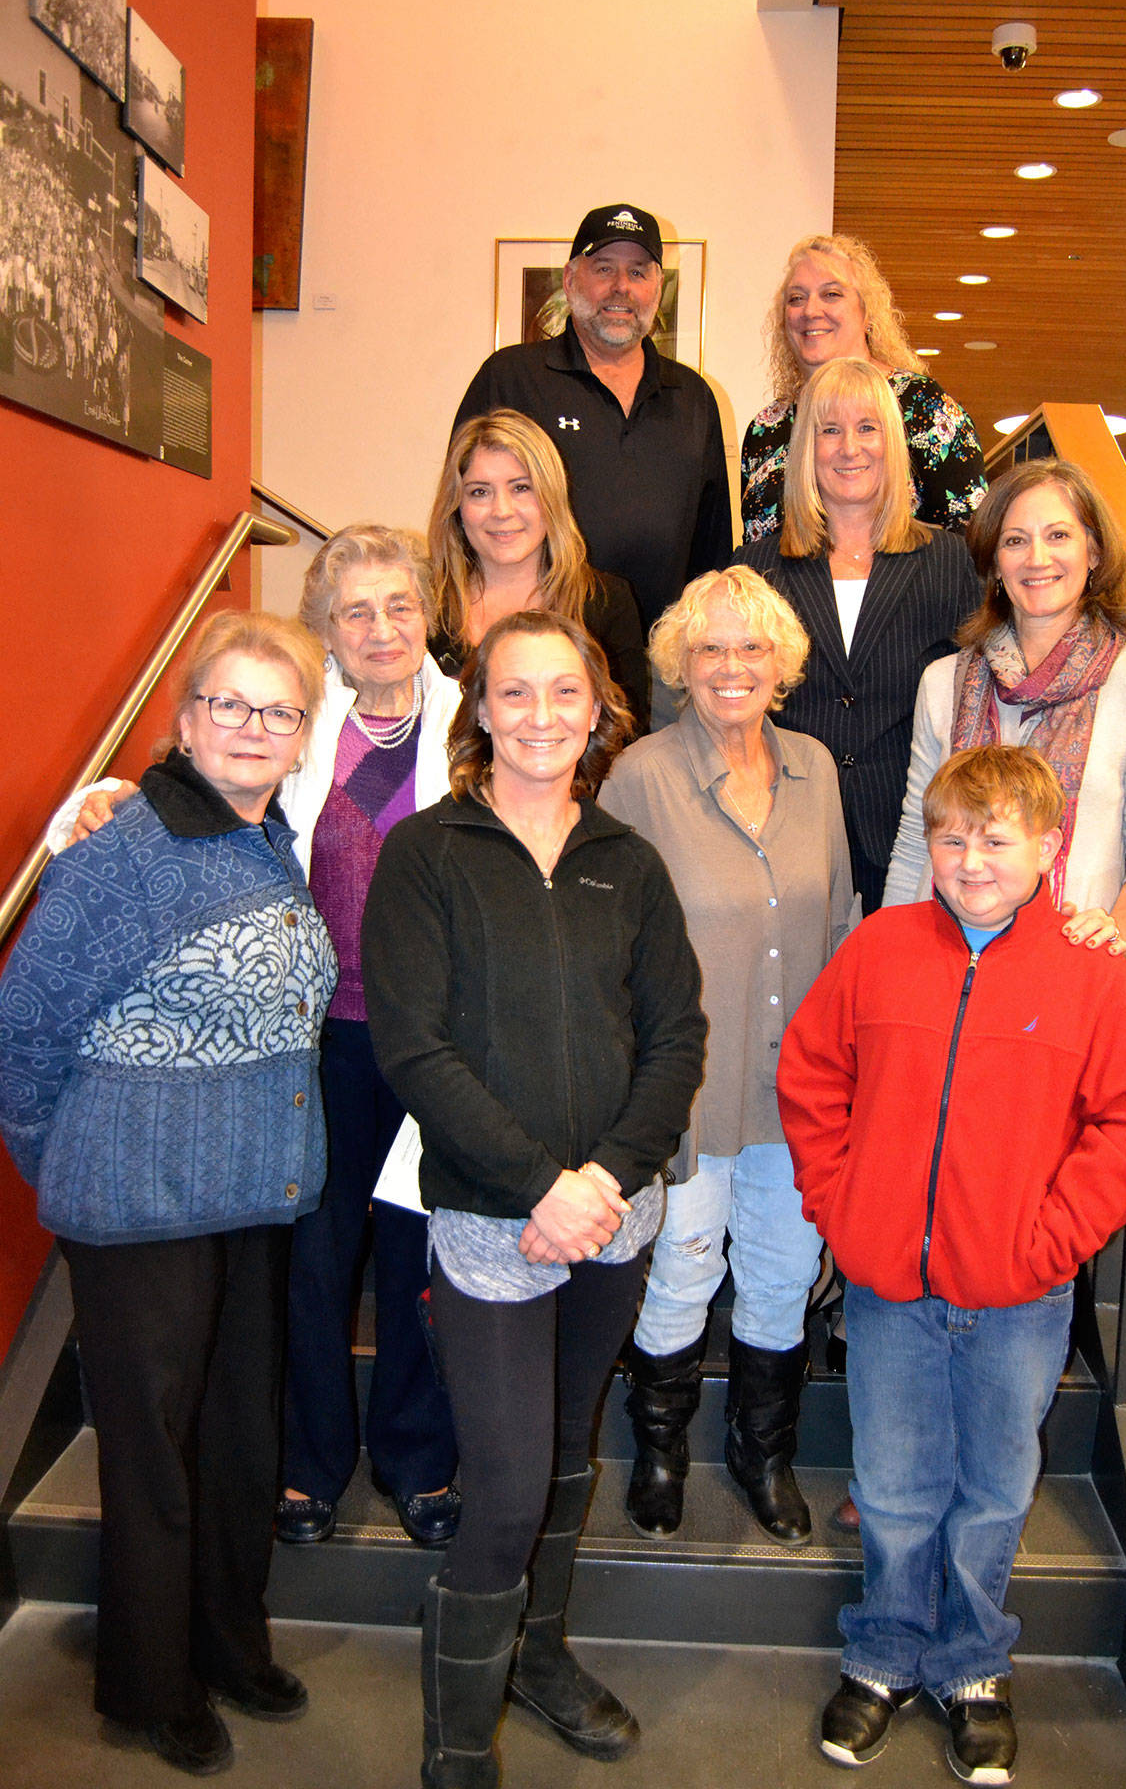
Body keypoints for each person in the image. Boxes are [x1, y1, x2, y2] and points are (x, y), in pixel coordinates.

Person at [49, 527, 465, 1553]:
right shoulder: (289, 719)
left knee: (422, 1254)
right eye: (354, 610)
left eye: (398, 606)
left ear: (428, 616)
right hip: (307, 1043)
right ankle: (310, 1463)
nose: (379, 628)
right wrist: (92, 805)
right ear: (326, 628)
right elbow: (176, 784)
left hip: (433, 1041)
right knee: (315, 1262)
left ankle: (417, 1459)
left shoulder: (471, 727)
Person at [778, 746, 1126, 1783]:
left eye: (993, 838)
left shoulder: (1090, 975)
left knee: (994, 1490)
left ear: (1043, 848)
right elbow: (812, 1075)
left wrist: (1047, 1240)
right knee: (895, 1481)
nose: (967, 858)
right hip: (886, 1286)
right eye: (950, 836)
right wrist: (841, 1204)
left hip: (1017, 1294)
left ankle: (972, 1669)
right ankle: (882, 1655)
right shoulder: (878, 949)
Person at [361, 609, 706, 1789]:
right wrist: (539, 1185)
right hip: (488, 1218)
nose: (542, 716)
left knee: (567, 1450)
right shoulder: (428, 853)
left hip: (614, 1214)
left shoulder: (627, 861)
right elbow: (412, 1048)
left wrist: (602, 1179)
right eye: (516, 694)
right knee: (505, 1486)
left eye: (565, 693)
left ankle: (538, 1656)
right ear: (481, 712)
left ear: (598, 711)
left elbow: (674, 1038)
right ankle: (458, 1745)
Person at [0, 612, 338, 1777]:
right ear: (186, 720)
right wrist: (65, 1159)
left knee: (242, 1436)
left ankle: (230, 1640)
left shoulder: (267, 835)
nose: (252, 728)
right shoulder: (126, 850)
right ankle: (148, 1683)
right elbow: (26, 1026)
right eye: (228, 705)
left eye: (277, 711)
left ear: (302, 737)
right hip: (138, 1197)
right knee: (153, 1449)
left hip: (251, 1189)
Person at [598, 566, 854, 1547]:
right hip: (688, 1084)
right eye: (709, 649)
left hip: (795, 1082)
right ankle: (661, 1455)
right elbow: (604, 940)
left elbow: (834, 924)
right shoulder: (638, 776)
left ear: (780, 663)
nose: (731, 666)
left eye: (751, 647)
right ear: (679, 664)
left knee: (784, 1271)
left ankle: (763, 1453)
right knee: (684, 1267)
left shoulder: (817, 771)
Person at [884, 458, 1126, 952]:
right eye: (1015, 540)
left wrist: (1114, 928)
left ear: (1093, 551)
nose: (1037, 558)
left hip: (1072, 969)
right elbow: (916, 840)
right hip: (941, 962)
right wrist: (890, 948)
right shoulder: (942, 683)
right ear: (994, 562)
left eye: (1059, 535)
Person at [737, 357, 981, 913]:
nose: (850, 448)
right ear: (806, 448)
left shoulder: (948, 561)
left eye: (867, 428)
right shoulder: (755, 568)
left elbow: (975, 706)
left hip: (911, 839)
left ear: (892, 443)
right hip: (783, 835)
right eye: (830, 430)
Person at [451, 202, 732, 632]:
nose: (622, 287)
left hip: (667, 662)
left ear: (657, 287)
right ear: (569, 279)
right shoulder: (511, 378)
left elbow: (712, 548)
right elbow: (461, 516)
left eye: (638, 272)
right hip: (541, 650)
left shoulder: (693, 397)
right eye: (603, 269)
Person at [741, 233, 986, 546]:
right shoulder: (766, 429)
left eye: (831, 294)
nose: (810, 310)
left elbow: (974, 542)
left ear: (867, 313)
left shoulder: (923, 407)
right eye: (796, 298)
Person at [427, 406, 650, 731]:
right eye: (479, 492)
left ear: (551, 495)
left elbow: (626, 737)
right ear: (456, 507)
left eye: (521, 488)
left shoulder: (605, 603)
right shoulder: (425, 610)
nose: (501, 510)